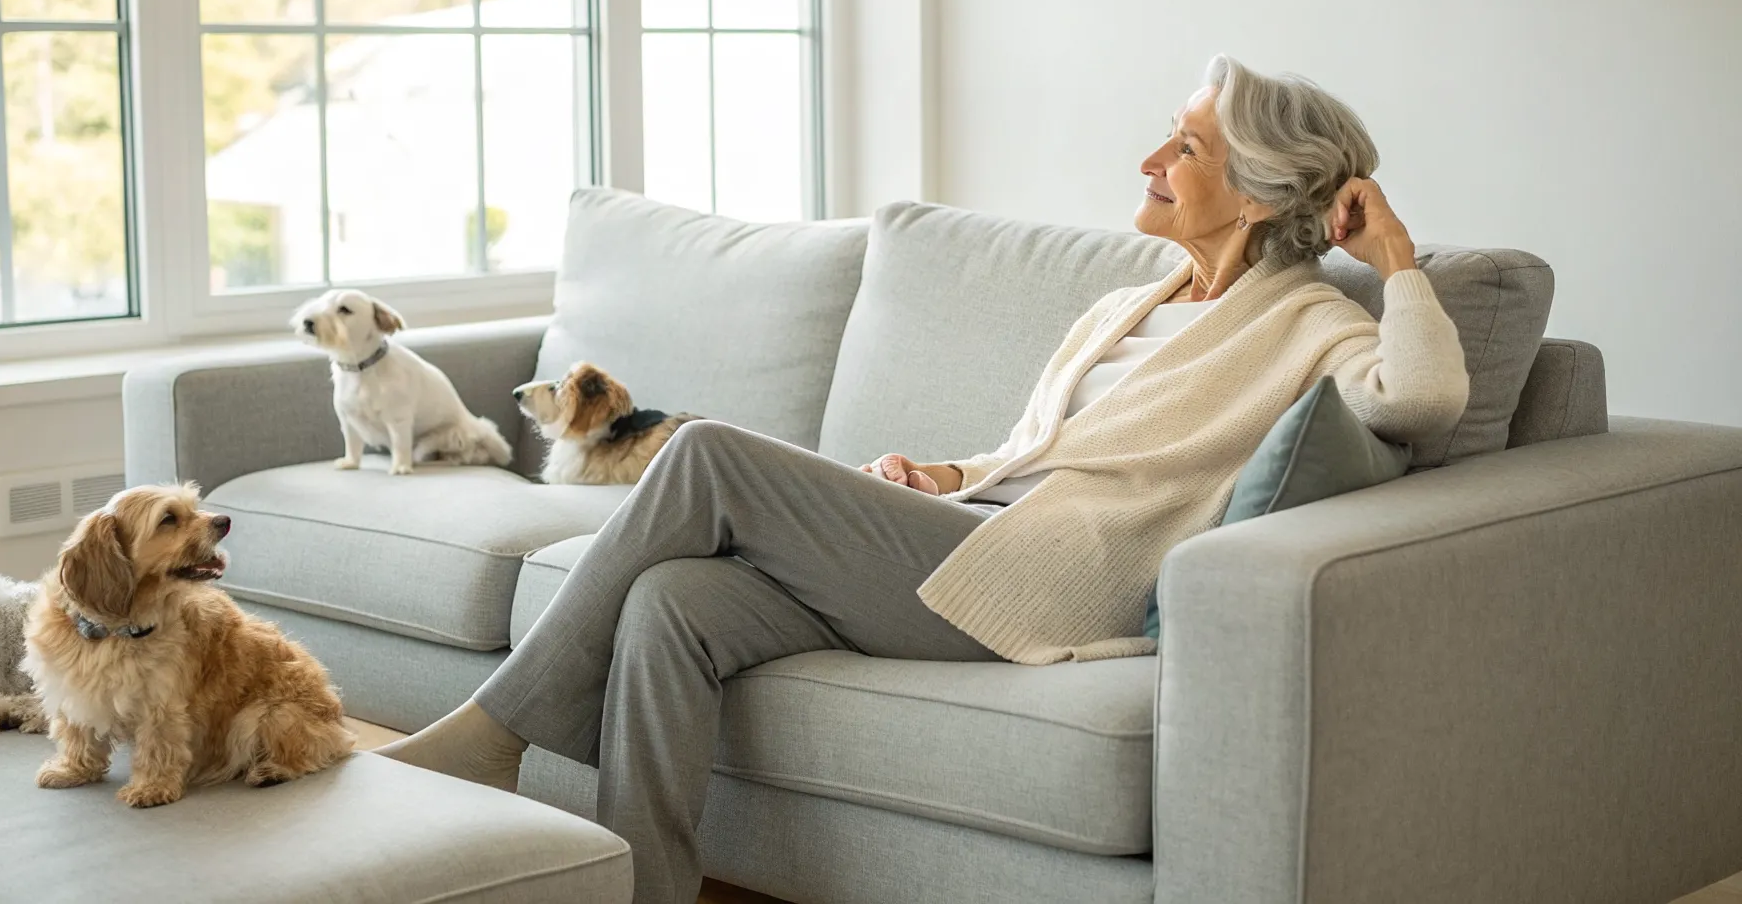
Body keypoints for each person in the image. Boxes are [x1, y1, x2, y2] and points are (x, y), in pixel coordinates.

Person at [378, 55, 1470, 903]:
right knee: (673, 604)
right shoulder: (1126, 302)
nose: (1147, 160)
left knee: (705, 454)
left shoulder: (1309, 321)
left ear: (1253, 191)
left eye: (1181, 147)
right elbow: (1037, 450)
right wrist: (945, 474)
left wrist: (1395, 260)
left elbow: (1417, 401)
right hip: (973, 532)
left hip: (1043, 585)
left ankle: (497, 732)